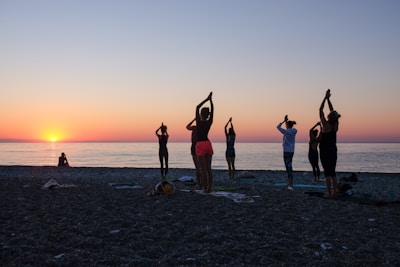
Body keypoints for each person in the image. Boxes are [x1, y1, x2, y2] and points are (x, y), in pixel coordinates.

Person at [319, 89, 341, 198]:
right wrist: (329, 100)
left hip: (324, 150)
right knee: (333, 172)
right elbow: (332, 111)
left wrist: (325, 98)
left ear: (328, 117)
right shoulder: (335, 125)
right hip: (333, 150)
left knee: (327, 173)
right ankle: (334, 193)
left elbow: (320, 109)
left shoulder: (325, 125)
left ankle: (329, 193)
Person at [195, 92, 214, 193]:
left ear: (201, 114)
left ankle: (205, 188)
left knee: (203, 169)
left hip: (200, 144)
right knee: (208, 169)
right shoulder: (209, 122)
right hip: (208, 143)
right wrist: (211, 101)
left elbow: (197, 107)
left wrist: (206, 99)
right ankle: (209, 188)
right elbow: (213, 110)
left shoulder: (198, 121)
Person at [276, 115, 297, 190]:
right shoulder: (294, 131)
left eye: (286, 124)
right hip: (291, 151)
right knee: (290, 165)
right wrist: (286, 122)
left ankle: (290, 182)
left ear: (288, 125)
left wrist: (283, 121)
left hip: (286, 151)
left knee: (287, 166)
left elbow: (277, 127)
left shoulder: (286, 131)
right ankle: (290, 181)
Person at [186, 118, 201, 186]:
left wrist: (194, 119)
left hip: (196, 146)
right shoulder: (201, 128)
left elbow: (187, 126)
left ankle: (199, 182)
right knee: (200, 166)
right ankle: (200, 181)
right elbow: (187, 127)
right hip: (199, 145)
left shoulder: (195, 128)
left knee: (198, 167)